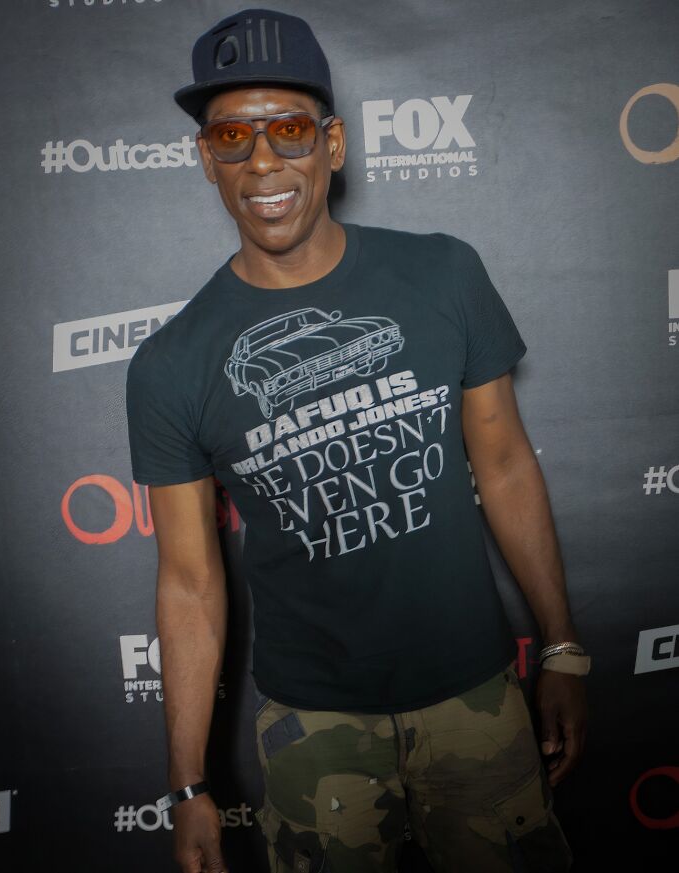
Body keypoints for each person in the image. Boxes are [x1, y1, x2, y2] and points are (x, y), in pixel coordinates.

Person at [126, 8, 588, 873]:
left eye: (289, 129)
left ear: (333, 145)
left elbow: (505, 463)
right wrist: (188, 783)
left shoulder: (444, 272)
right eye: (233, 137)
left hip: (478, 700)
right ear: (206, 159)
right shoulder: (170, 364)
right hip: (312, 733)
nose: (263, 162)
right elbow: (189, 582)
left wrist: (562, 645)